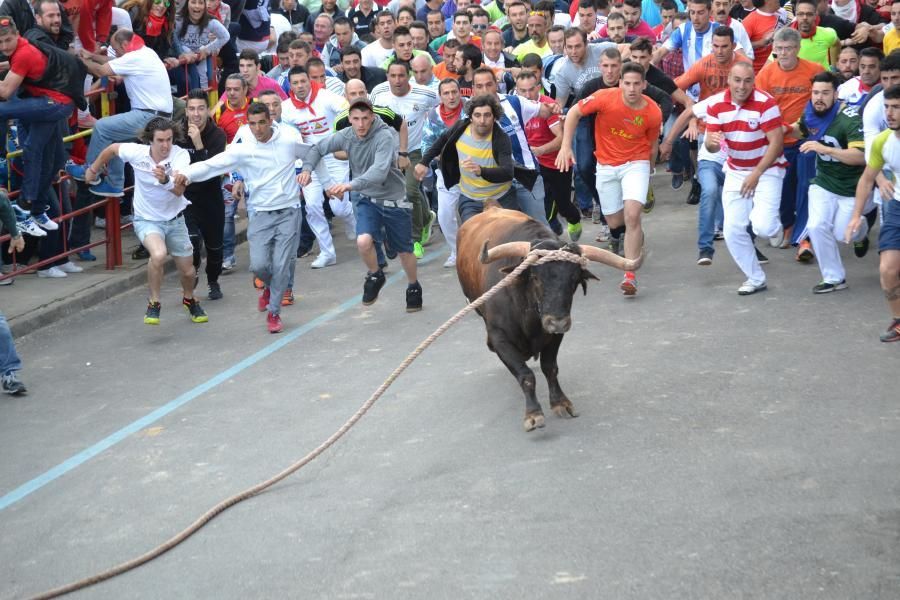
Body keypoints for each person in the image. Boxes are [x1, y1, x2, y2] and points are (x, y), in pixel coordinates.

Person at [177, 103, 307, 334]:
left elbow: (314, 152)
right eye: (252, 124)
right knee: (258, 266)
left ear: (270, 121)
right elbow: (212, 165)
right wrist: (187, 173)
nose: (258, 129)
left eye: (262, 123)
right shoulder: (244, 148)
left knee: (281, 266)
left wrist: (315, 175)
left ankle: (274, 312)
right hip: (259, 214)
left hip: (289, 211)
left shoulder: (288, 140)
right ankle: (267, 288)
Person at [300, 98, 423, 312]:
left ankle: (413, 286)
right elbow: (316, 148)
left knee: (404, 251)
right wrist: (307, 169)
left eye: (365, 118)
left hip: (394, 198)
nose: (361, 124)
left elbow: (379, 172)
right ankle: (376, 274)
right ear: (349, 119)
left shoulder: (383, 136)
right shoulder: (346, 135)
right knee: (363, 241)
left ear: (372, 117)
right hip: (366, 199)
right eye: (355, 119)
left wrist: (349, 185)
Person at [88, 117, 209, 325]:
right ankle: (154, 302)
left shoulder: (180, 156)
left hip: (175, 219)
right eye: (160, 140)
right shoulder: (137, 153)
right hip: (147, 220)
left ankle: (189, 299)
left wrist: (164, 180)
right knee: (159, 254)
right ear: (149, 141)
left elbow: (179, 191)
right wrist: (94, 169)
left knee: (188, 271)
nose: (165, 145)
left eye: (169, 140)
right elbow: (113, 149)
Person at [556, 62, 662, 297]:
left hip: (636, 163)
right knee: (615, 221)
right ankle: (627, 233)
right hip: (605, 165)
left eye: (637, 84)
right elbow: (573, 112)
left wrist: (650, 171)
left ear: (644, 85)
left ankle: (630, 275)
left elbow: (652, 146)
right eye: (627, 83)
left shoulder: (653, 111)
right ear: (620, 84)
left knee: (633, 215)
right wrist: (565, 147)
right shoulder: (604, 97)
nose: (632, 88)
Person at [704, 61, 787, 296]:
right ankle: (755, 278)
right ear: (729, 80)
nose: (742, 86)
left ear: (754, 81)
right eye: (737, 80)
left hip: (768, 169)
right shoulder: (716, 105)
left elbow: (777, 142)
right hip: (736, 170)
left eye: (748, 80)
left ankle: (772, 223)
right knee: (732, 229)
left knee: (763, 227)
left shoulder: (766, 103)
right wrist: (710, 143)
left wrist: (757, 174)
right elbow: (713, 145)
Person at [69, 29, 174, 198]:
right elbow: (116, 61)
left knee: (102, 127)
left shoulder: (135, 57)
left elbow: (102, 71)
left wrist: (75, 58)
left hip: (148, 116)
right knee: (115, 138)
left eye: (115, 49)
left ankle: (90, 171)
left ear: (125, 45)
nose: (115, 52)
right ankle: (114, 184)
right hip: (158, 116)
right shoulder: (145, 52)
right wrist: (91, 55)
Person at [0, 17, 79, 232]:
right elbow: (15, 64)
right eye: (0, 43)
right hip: (59, 102)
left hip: (54, 103)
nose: (4, 46)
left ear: (17, 35)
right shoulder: (24, 46)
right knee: (49, 156)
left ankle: (25, 203)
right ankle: (35, 208)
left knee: (1, 111)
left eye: (7, 40)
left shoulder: (24, 53)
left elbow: (5, 92)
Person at [799, 71, 870, 293]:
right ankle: (833, 278)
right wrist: (779, 130)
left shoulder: (850, 117)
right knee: (816, 225)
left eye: (825, 93)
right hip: (824, 182)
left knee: (843, 234)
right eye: (815, 92)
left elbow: (860, 156)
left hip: (851, 188)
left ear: (836, 94)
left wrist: (824, 148)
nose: (819, 98)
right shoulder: (811, 111)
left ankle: (862, 231)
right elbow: (799, 129)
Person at [281, 65, 356, 268]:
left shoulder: (327, 97)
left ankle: (351, 219)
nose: (300, 86)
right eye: (295, 83)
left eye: (303, 81)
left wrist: (340, 138)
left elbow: (348, 111)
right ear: (290, 85)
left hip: (333, 156)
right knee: (313, 206)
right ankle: (327, 252)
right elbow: (291, 139)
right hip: (309, 162)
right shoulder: (286, 109)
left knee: (338, 207)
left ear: (309, 81)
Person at [370, 61, 440, 259]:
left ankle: (415, 239)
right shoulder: (378, 93)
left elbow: (441, 108)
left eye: (401, 76)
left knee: (410, 192)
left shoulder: (425, 93)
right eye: (393, 76)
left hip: (416, 151)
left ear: (408, 76)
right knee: (397, 195)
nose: (397, 80)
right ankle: (426, 217)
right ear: (387, 77)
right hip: (389, 153)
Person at [847, 85, 900, 342]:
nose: (889, 113)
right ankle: (899, 321)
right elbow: (867, 180)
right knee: (888, 271)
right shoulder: (882, 141)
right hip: (898, 208)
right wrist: (857, 215)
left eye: (896, 108)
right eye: (887, 107)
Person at [417, 93, 516, 224]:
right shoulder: (460, 127)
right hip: (471, 199)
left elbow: (508, 172)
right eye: (477, 115)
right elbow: (441, 140)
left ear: (494, 118)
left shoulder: (501, 138)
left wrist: (481, 171)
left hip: (502, 197)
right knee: (471, 238)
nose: (482, 120)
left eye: (487, 115)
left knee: (510, 238)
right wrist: (424, 162)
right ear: (470, 117)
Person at [515, 70, 582, 240]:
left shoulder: (548, 106)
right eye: (523, 91)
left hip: (556, 162)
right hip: (533, 166)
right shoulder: (513, 105)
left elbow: (561, 138)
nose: (528, 95)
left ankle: (574, 219)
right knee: (540, 205)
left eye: (531, 89)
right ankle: (551, 228)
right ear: (516, 90)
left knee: (564, 205)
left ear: (539, 87)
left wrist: (539, 151)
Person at [183, 89, 227, 300]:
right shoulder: (177, 134)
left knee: (215, 248)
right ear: (186, 112)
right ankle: (194, 272)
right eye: (192, 109)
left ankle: (213, 281)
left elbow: (212, 173)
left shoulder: (217, 136)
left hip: (211, 199)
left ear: (208, 111)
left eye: (201, 108)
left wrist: (199, 145)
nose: (196, 114)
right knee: (191, 242)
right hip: (186, 200)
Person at [792, 0, 839, 69]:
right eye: (801, 14)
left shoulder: (828, 33)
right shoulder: (786, 37)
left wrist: (834, 67)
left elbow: (836, 44)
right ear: (796, 15)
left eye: (809, 14)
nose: (805, 18)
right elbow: (772, 61)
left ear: (815, 15)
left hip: (823, 78)